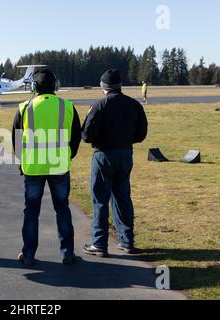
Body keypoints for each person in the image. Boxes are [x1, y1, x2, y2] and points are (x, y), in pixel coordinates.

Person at [12, 69, 82, 266]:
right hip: (59, 165)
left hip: (33, 167)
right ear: (56, 86)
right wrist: (68, 155)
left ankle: (29, 254)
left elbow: (16, 139)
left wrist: (21, 161)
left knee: (32, 212)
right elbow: (76, 136)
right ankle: (67, 253)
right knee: (62, 209)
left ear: (34, 87)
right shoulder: (67, 106)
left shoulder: (25, 107)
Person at [81, 69, 148, 258]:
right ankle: (127, 241)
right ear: (120, 85)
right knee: (123, 198)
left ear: (103, 87)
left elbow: (86, 135)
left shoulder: (99, 106)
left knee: (100, 200)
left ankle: (99, 244)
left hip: (104, 155)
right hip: (126, 154)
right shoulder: (134, 105)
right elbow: (141, 134)